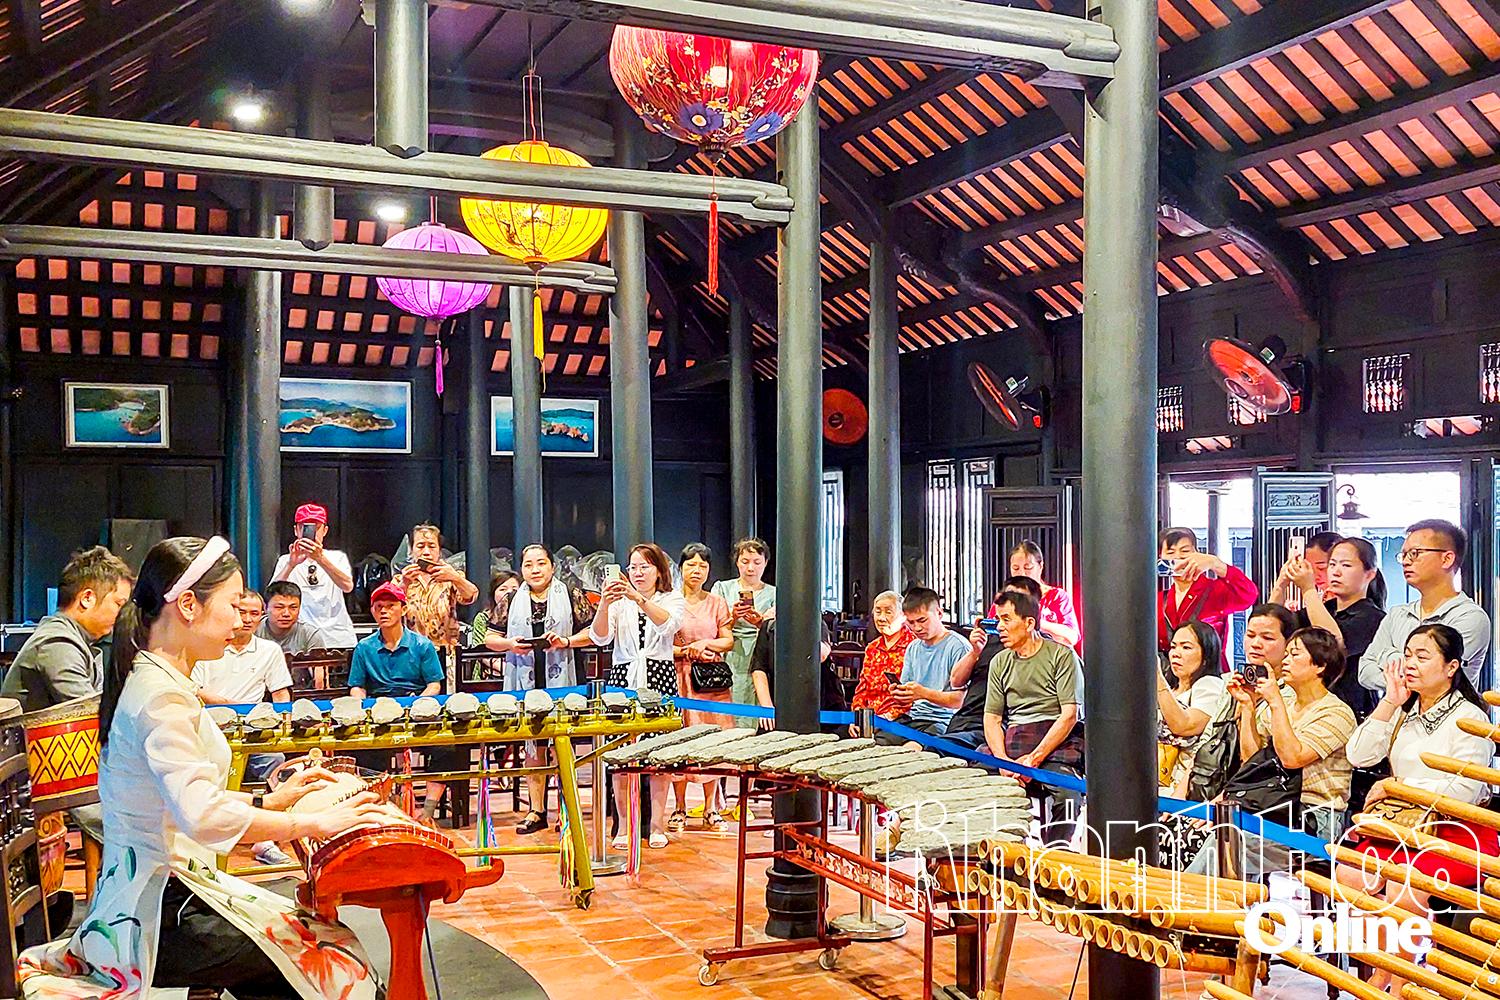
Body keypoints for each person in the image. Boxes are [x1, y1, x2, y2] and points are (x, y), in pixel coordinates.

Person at [18, 536, 390, 1000]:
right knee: (325, 952)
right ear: (188, 605)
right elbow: (202, 815)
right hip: (157, 912)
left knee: (307, 951)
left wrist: (271, 800)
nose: (240, 621)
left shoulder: (156, 678)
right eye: (234, 606)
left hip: (161, 893)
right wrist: (311, 821)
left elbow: (180, 801)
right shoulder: (160, 696)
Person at [1339, 624, 1495, 991]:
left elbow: (1467, 792)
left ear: (1452, 666)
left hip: (1459, 831)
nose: (1410, 663)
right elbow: (1358, 755)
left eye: (1422, 657)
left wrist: (1400, 786)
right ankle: (1381, 970)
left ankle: (1398, 979)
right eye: (1407, 655)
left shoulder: (1472, 717)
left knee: (1404, 887)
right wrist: (1390, 701)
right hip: (1403, 828)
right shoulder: (1403, 709)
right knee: (1349, 874)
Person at [1190, 627, 1356, 878]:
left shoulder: (1336, 713)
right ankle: (1220, 907)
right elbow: (1252, 758)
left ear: (1320, 666)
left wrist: (1275, 701)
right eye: (1286, 654)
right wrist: (1248, 707)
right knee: (1215, 836)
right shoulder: (1284, 704)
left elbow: (1292, 759)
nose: (1285, 660)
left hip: (1313, 817)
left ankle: (1183, 905)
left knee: (1227, 845)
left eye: (1295, 654)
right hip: (1271, 808)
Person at [1, 545, 132, 844]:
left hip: (57, 761)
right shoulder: (57, 641)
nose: (122, 613)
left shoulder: (75, 640)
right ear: (87, 598)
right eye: (117, 603)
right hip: (29, 771)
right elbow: (88, 715)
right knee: (135, 808)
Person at [482, 545, 591, 836]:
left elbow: (592, 633)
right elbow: (490, 637)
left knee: (561, 744)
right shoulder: (510, 599)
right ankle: (537, 809)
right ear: (522, 569)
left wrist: (566, 642)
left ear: (552, 567)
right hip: (525, 678)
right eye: (528, 564)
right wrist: (510, 644)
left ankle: (567, 806)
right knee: (534, 747)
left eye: (541, 563)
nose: (535, 569)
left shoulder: (570, 594)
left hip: (564, 676)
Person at [591, 543, 685, 850]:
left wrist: (640, 599)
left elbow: (670, 624)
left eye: (645, 566)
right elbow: (601, 637)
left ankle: (657, 824)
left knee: (660, 756)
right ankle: (623, 825)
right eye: (633, 567)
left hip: (660, 677)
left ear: (659, 570)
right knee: (620, 756)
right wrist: (605, 604)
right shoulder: (620, 602)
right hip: (623, 677)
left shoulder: (671, 597)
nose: (638, 572)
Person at [191, 591, 295, 867]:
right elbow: (195, 689)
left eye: (253, 614)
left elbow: (280, 694)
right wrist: (232, 706)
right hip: (211, 730)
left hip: (256, 731)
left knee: (276, 762)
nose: (247, 619)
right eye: (242, 612)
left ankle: (266, 840)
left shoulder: (269, 650)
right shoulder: (208, 647)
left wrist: (282, 725)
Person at [981, 589, 1086, 845]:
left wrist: (1034, 758)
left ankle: (1055, 854)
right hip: (1015, 737)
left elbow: (1069, 714)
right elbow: (992, 718)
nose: (1000, 627)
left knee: (1068, 796)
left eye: (1006, 620)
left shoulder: (1061, 655)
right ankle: (999, 853)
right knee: (975, 779)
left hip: (1055, 739)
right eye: (998, 620)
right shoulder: (999, 661)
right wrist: (1004, 761)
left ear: (1029, 623)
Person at [348, 581, 450, 824]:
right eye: (379, 606)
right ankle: (381, 808)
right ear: (373, 611)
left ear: (403, 609)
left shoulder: (422, 645)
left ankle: (427, 811)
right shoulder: (364, 648)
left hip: (416, 709)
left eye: (391, 606)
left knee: (447, 747)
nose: (384, 611)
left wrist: (420, 704)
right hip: (379, 711)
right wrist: (362, 709)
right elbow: (357, 686)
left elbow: (434, 684)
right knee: (359, 746)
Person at [1360, 519, 1491, 691]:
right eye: (1404, 555)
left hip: (1448, 716)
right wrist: (1409, 670)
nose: (1406, 561)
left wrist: (1386, 655)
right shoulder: (1398, 614)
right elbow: (1364, 672)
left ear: (1447, 559)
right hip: (1397, 716)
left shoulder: (1469, 617)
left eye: (1415, 553)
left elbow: (1433, 677)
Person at [1278, 537, 1387, 720]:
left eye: (1346, 565)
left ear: (1370, 574)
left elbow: (1333, 644)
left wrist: (1308, 590)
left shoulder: (1373, 617)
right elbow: (1274, 626)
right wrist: (1281, 584)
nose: (1336, 572)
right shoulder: (1325, 609)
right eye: (1332, 564)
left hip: (1349, 711)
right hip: (1308, 707)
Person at [670, 543, 735, 831]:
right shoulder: (669, 601)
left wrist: (704, 644)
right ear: (681, 568)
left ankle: (711, 808)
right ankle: (680, 807)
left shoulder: (717, 602)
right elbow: (660, 645)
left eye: (703, 566)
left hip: (710, 682)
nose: (696, 571)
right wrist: (686, 652)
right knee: (679, 741)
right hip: (679, 678)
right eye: (691, 565)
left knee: (713, 741)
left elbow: (728, 640)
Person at [946, 577, 1041, 750]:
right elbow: (955, 681)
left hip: (1001, 728)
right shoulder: (988, 639)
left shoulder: (1042, 648)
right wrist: (974, 651)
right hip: (965, 721)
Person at [873, 588, 976, 745]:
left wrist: (923, 693)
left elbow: (961, 700)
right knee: (877, 744)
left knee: (913, 749)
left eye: (922, 621)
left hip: (945, 721)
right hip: (913, 717)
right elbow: (907, 696)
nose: (917, 628)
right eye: (911, 623)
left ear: (939, 614)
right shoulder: (913, 647)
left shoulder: (958, 646)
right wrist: (900, 694)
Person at [1157, 527, 1258, 664]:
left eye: (1185, 551)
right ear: (1160, 558)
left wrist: (1215, 564)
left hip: (1210, 672)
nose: (1178, 557)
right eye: (1170, 552)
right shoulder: (1158, 600)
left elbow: (1249, 595)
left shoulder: (1216, 590)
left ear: (1197, 554)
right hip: (1171, 677)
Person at [399, 523, 479, 688]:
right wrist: (404, 584)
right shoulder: (402, 579)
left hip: (446, 654)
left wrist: (455, 578)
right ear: (412, 550)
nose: (426, 552)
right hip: (412, 657)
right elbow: (388, 610)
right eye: (420, 546)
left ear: (439, 550)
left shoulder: (451, 577)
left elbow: (471, 596)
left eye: (432, 546)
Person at [269, 503, 356, 647]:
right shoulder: (286, 560)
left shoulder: (337, 557)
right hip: (301, 639)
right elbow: (272, 595)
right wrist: (291, 565)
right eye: (305, 527)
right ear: (296, 530)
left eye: (316, 527)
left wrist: (320, 559)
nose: (311, 532)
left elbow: (347, 586)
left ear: (325, 530)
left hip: (337, 637)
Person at [1156, 621, 1227, 796]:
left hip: (1183, 789)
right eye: (1173, 647)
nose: (1176, 654)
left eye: (1186, 648)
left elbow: (1184, 725)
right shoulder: (1170, 688)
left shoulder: (1210, 685)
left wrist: (1155, 675)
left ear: (1206, 655)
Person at [750, 617, 848, 735]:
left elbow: (821, 654)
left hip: (819, 707)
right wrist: (766, 706)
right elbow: (759, 669)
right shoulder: (770, 627)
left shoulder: (817, 623)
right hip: (778, 705)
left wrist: (800, 628)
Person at [710, 537, 775, 711]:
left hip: (760, 654)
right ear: (737, 562)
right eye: (745, 561)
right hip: (729, 651)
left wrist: (760, 622)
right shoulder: (722, 588)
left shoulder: (775, 594)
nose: (750, 568)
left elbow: (776, 632)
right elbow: (710, 626)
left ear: (765, 563)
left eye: (757, 562)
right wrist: (732, 617)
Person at [849, 590, 917, 736]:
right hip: (869, 719)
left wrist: (884, 719)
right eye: (878, 612)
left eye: (888, 612)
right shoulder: (872, 648)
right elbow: (862, 688)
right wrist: (857, 718)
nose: (881, 618)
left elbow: (916, 694)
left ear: (903, 616)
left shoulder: (915, 646)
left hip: (902, 720)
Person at [1007, 541, 1081, 650]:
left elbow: (1072, 636)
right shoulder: (1005, 599)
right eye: (1015, 568)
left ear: (1040, 566)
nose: (1022, 574)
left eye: (1028, 568)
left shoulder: (1057, 596)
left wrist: (1037, 623)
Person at [256, 581, 326, 655]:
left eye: (293, 607)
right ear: (265, 607)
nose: (286, 614)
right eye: (279, 607)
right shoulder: (254, 631)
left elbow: (319, 666)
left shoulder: (310, 635)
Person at [467, 571, 520, 649]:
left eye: (514, 589)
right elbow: (480, 648)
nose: (509, 593)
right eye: (503, 589)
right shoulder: (483, 618)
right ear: (493, 593)